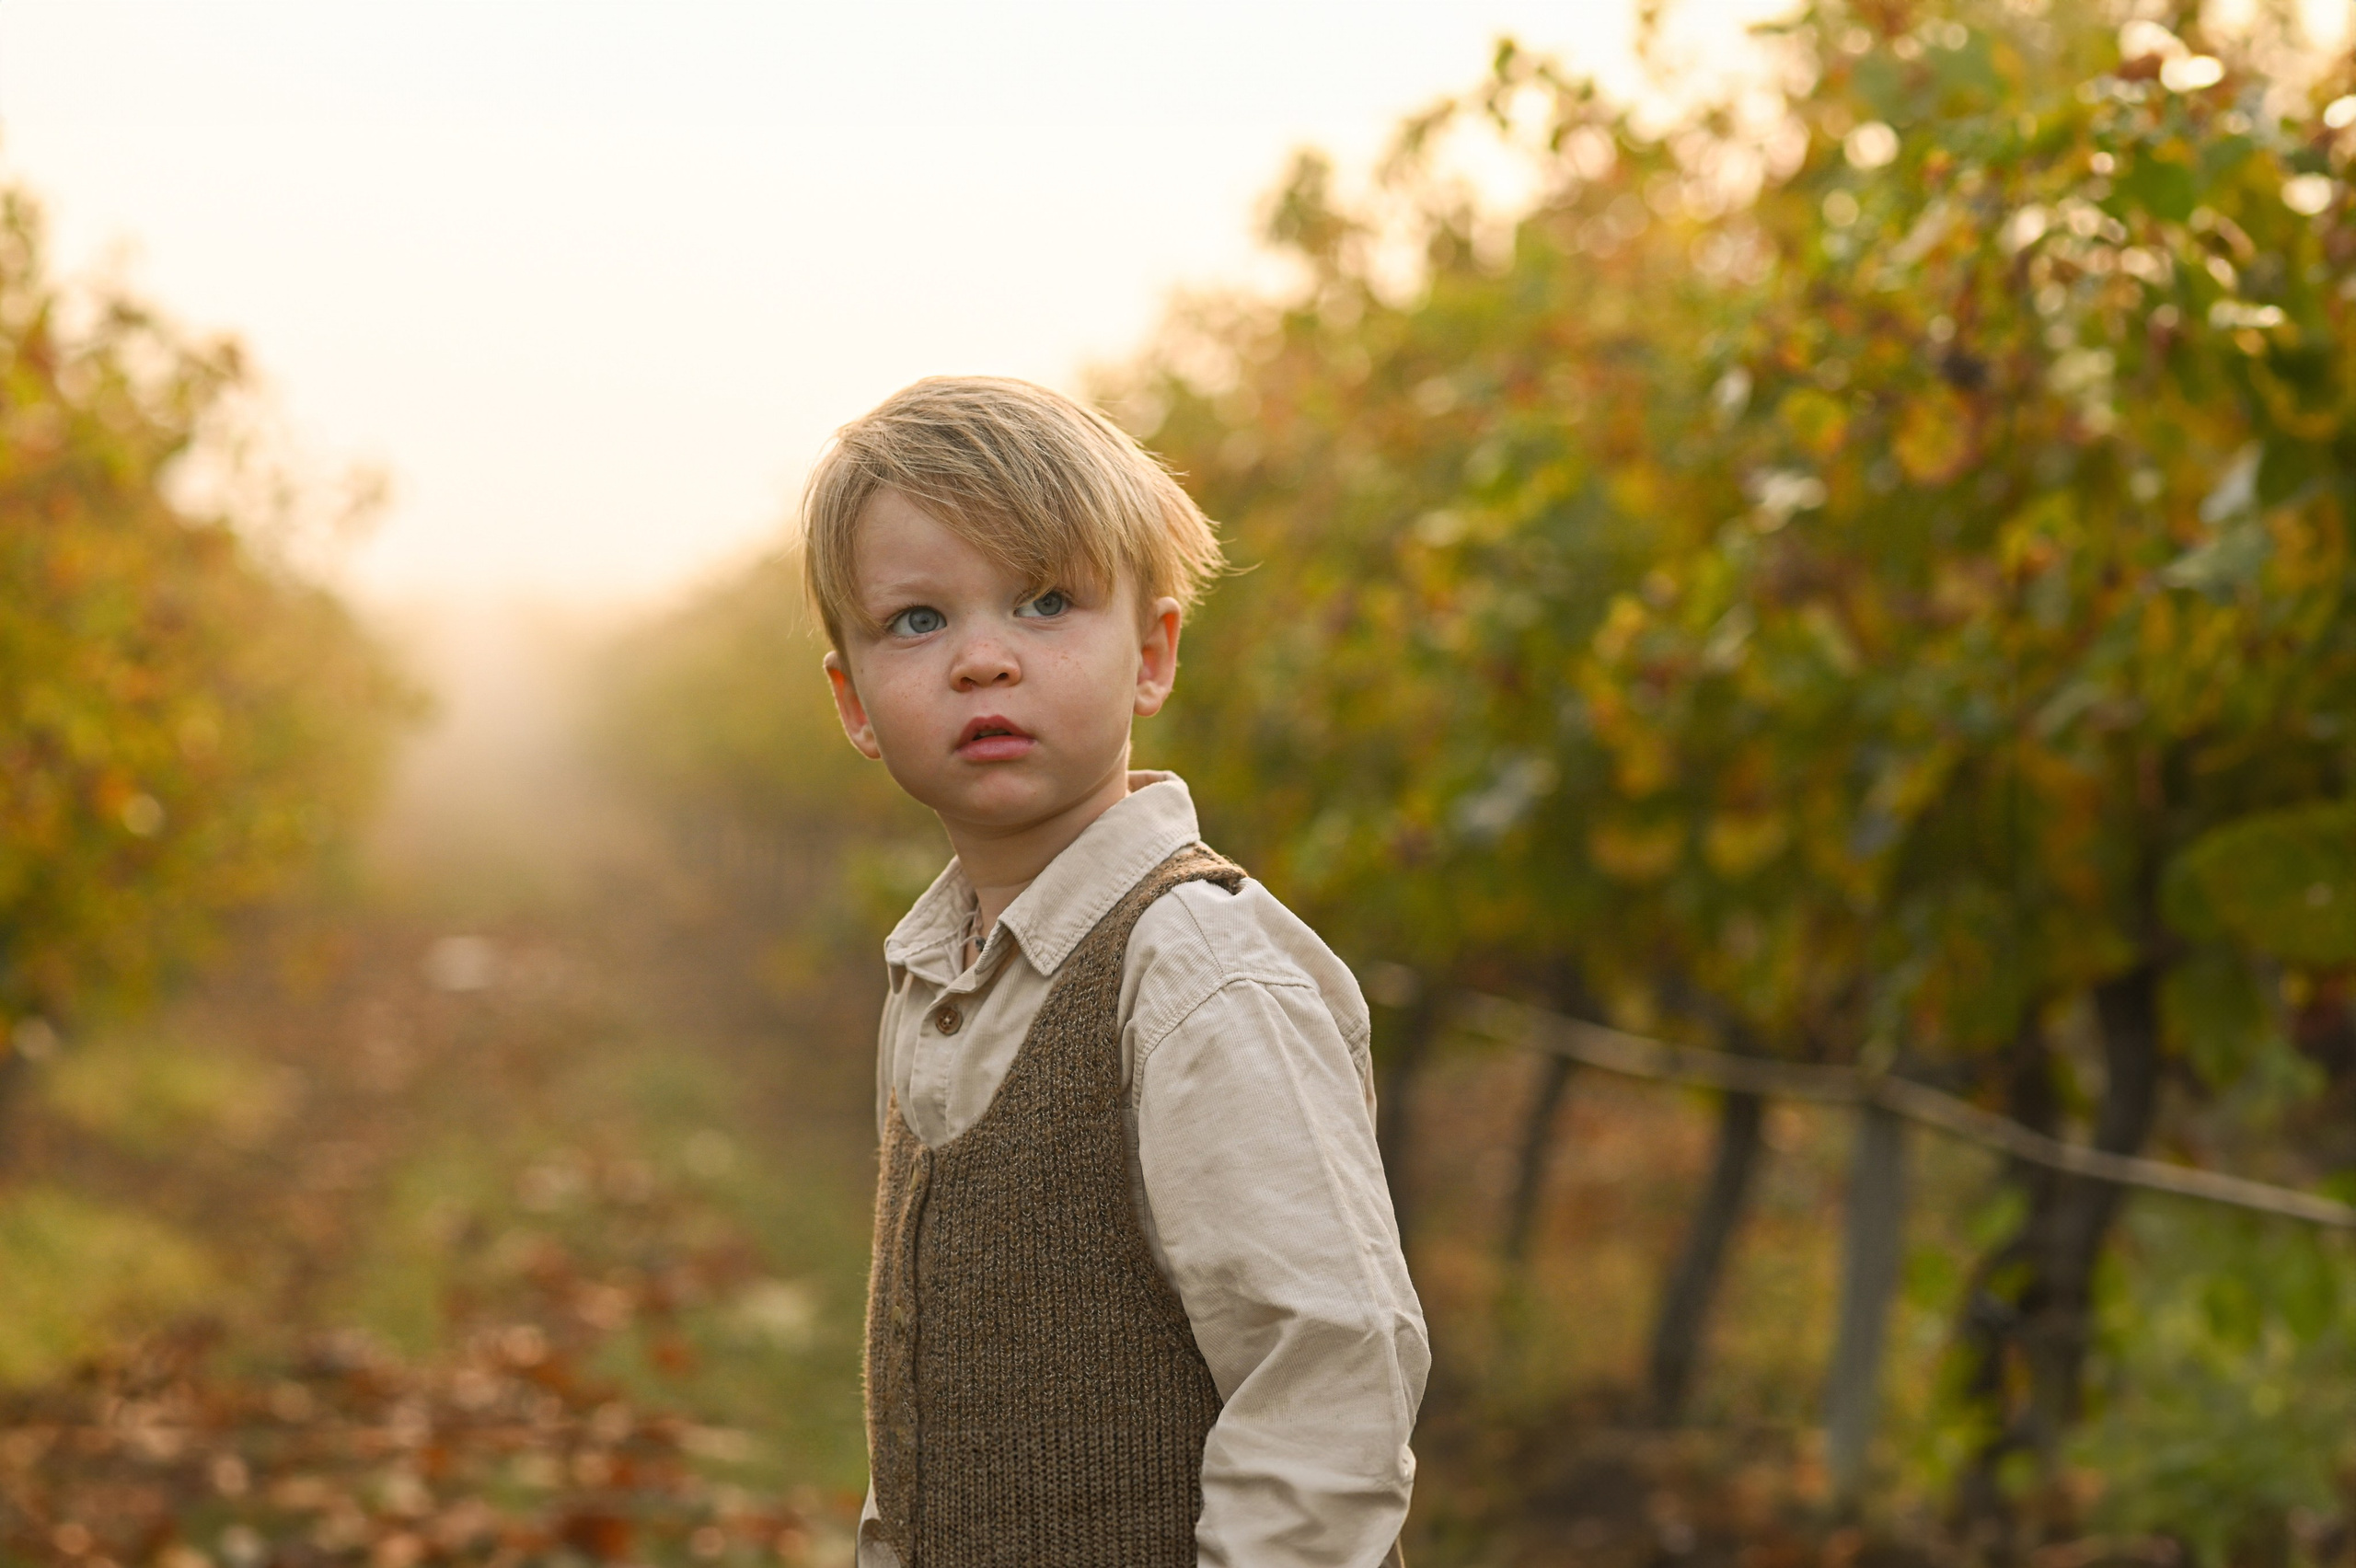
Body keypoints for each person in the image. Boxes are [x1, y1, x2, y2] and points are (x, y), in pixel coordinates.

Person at [801, 375, 1428, 1567]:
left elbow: (1329, 1375)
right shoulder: (938, 975)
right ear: (855, 701)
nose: (983, 659)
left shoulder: (1195, 972)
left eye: (1046, 602)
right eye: (918, 621)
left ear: (1151, 655)